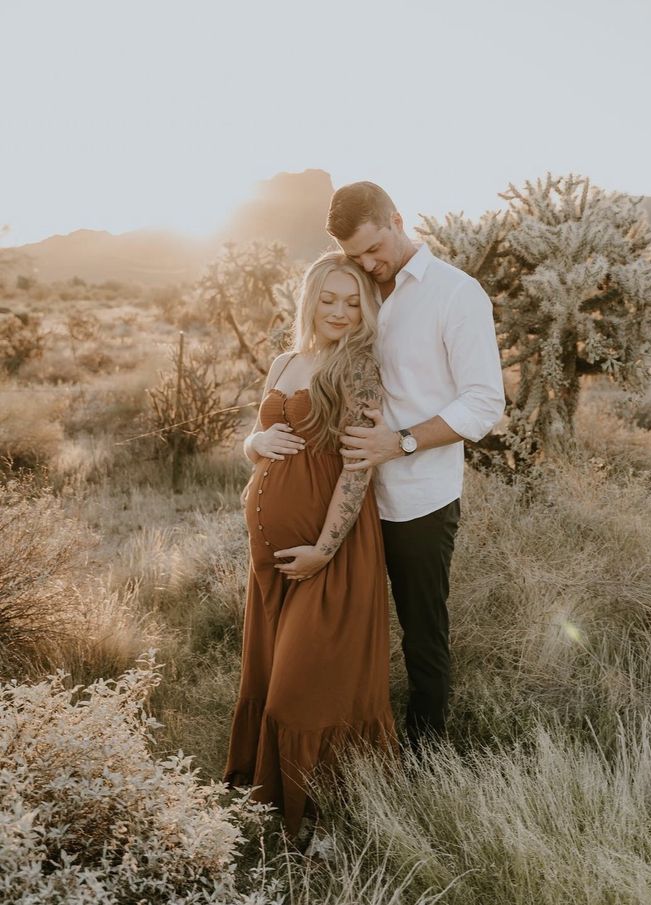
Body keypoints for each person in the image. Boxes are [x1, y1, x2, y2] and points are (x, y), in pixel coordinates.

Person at [326, 182, 506, 752]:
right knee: (347, 629)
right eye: (356, 258)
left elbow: (483, 404)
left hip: (418, 498)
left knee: (421, 636)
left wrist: (397, 444)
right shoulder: (360, 291)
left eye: (375, 249)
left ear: (398, 220)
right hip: (345, 496)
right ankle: (349, 743)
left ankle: (425, 758)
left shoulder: (456, 294)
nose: (369, 264)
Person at [223, 251, 396, 839]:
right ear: (309, 299)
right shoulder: (283, 361)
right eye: (330, 299)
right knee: (269, 678)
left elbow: (358, 469)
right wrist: (252, 444)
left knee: (301, 693)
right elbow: (262, 436)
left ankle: (322, 820)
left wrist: (324, 548)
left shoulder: (359, 369)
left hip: (331, 552)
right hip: (268, 558)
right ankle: (273, 813)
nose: (341, 312)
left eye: (354, 302)